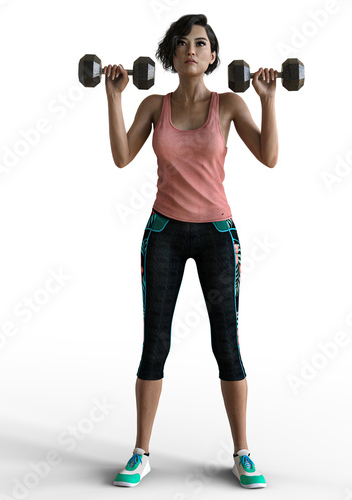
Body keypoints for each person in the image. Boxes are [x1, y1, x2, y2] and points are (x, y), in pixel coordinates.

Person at [106, 13, 278, 489]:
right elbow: (122, 157)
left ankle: (242, 451)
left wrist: (268, 101)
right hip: (164, 232)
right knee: (155, 342)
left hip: (217, 235)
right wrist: (113, 97)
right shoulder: (152, 104)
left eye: (200, 43)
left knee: (227, 343)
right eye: (182, 43)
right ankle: (141, 451)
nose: (191, 50)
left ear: (213, 55)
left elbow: (269, 156)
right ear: (172, 54)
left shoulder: (230, 104)